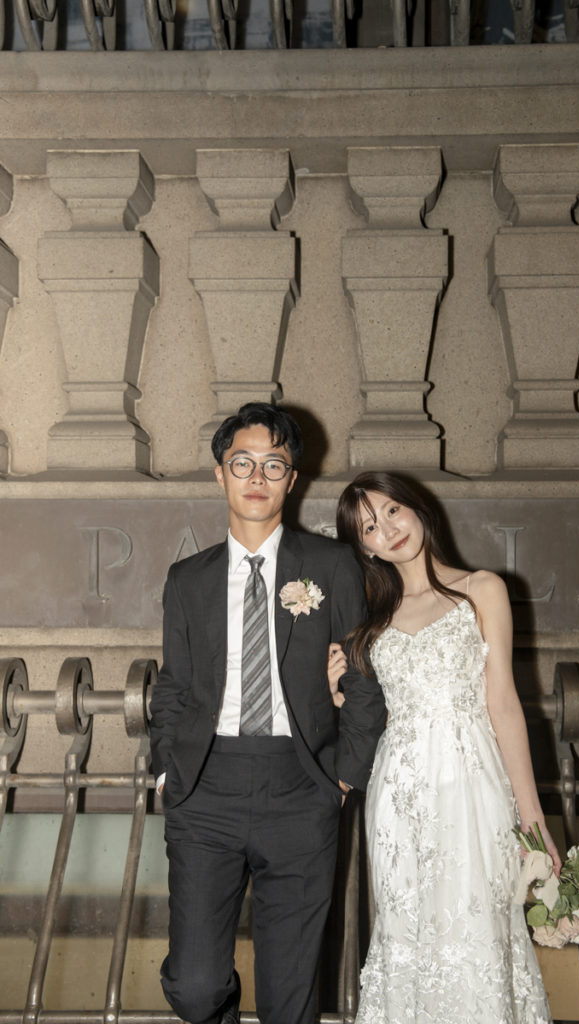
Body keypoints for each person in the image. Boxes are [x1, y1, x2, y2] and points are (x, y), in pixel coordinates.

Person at [149, 404, 386, 1024]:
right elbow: (174, 685)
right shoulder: (187, 579)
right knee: (195, 988)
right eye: (242, 463)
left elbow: (363, 679)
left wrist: (343, 777)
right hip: (205, 790)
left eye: (273, 465)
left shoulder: (332, 565)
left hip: (301, 788)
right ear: (220, 474)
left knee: (290, 996)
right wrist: (167, 772)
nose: (257, 477)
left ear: (293, 478)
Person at [326, 470, 560, 1024]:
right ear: (364, 548)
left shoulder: (482, 589)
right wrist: (337, 694)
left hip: (469, 786)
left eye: (391, 511)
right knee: (405, 934)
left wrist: (533, 822)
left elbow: (504, 704)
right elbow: (376, 716)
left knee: (477, 930)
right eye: (369, 527)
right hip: (397, 796)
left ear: (417, 508)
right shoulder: (370, 620)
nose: (387, 530)